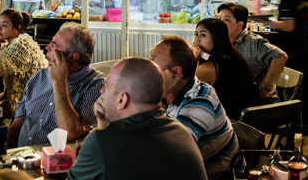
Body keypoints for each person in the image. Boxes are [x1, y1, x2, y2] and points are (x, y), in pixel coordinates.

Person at [67, 57, 207, 180]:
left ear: (122, 99)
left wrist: (100, 134)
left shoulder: (99, 142)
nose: (101, 91)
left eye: (106, 86)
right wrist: (104, 124)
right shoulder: (181, 132)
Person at [150, 36, 239, 179]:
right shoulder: (173, 92)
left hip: (222, 176)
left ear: (176, 73)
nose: (148, 69)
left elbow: (172, 156)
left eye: (154, 63)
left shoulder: (199, 103)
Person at [7, 22, 104, 147]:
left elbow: (72, 132)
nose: (47, 47)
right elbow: (17, 124)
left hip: (55, 157)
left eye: (54, 45)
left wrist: (59, 82)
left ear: (73, 57)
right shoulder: (40, 76)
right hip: (23, 155)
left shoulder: (96, 85)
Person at [0, 9, 48, 122]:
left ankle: (5, 132)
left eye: (4, 25)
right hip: (15, 95)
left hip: (29, 102)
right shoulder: (10, 44)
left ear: (17, 28)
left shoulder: (21, 46)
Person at [217, 2, 288, 102]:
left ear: (240, 25)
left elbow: (281, 57)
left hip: (257, 103)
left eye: (226, 20)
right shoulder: (220, 41)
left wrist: (265, 87)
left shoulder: (254, 42)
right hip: (233, 97)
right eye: (219, 19)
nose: (220, 23)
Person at [194, 18, 261, 119]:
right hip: (247, 117)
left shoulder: (209, 68)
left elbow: (189, 89)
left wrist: (195, 59)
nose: (196, 40)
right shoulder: (231, 53)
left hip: (232, 121)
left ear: (216, 38)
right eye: (196, 34)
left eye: (203, 35)